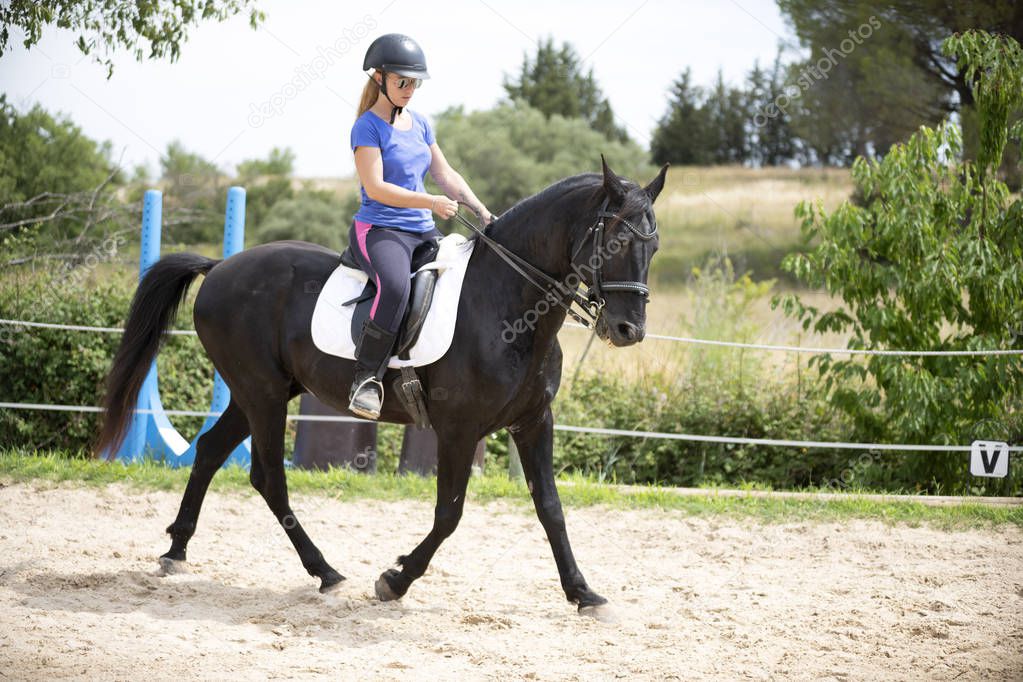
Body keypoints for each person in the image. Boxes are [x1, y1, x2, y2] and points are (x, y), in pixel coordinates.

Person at [348, 33, 493, 420]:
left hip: (422, 231)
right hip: (379, 231)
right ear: (379, 78)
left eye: (415, 82)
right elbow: (376, 188)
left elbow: (444, 174)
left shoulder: (421, 124)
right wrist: (430, 202)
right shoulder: (367, 128)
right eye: (402, 81)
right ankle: (366, 379)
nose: (410, 89)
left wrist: (479, 208)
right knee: (395, 287)